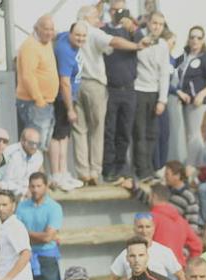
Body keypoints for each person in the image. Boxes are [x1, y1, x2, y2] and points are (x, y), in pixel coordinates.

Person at [71, 3, 145, 187]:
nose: (99, 20)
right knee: (98, 131)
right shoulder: (93, 31)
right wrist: (136, 46)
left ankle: (82, 173)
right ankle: (95, 172)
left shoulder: (73, 31)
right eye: (96, 17)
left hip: (76, 84)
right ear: (88, 17)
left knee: (80, 131)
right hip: (94, 84)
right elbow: (115, 42)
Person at [101, 211, 183, 280]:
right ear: (134, 229)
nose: (144, 231)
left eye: (148, 227)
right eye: (140, 227)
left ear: (154, 228)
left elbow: (181, 277)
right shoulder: (125, 253)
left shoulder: (164, 251)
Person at [132, 12, 171, 185]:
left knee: (152, 133)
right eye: (154, 23)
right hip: (139, 90)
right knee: (139, 132)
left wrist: (162, 99)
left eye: (160, 24)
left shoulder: (163, 45)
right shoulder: (138, 38)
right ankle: (141, 170)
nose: (157, 27)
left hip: (155, 93)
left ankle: (148, 167)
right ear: (148, 23)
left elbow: (164, 73)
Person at [16, 171, 64, 280]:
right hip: (26, 255)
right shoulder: (22, 206)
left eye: (39, 186)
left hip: (47, 256)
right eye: (32, 186)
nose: (35, 189)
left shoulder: (54, 207)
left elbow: (48, 237)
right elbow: (18, 234)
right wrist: (41, 236)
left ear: (46, 186)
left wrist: (27, 234)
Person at [50, 20, 86, 192]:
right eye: (77, 35)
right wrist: (70, 108)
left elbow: (57, 32)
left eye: (83, 35)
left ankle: (64, 172)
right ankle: (56, 175)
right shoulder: (65, 51)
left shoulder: (64, 36)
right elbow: (64, 82)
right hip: (62, 98)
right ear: (71, 34)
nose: (81, 38)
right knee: (58, 136)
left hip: (69, 97)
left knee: (65, 137)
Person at [176, 25, 206, 165]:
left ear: (203, 40)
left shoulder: (205, 57)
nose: (195, 40)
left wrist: (201, 94)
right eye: (192, 37)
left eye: (198, 37)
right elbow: (171, 68)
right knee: (186, 135)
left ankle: (196, 166)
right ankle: (188, 163)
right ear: (188, 39)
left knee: (194, 135)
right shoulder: (184, 56)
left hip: (196, 103)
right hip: (182, 101)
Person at [16, 15, 59, 150]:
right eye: (46, 29)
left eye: (52, 29)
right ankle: (33, 171)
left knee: (42, 142)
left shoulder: (46, 43)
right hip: (33, 103)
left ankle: (38, 171)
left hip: (45, 102)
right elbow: (28, 76)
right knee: (34, 144)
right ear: (36, 28)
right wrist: (39, 100)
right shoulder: (30, 46)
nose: (50, 33)